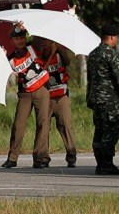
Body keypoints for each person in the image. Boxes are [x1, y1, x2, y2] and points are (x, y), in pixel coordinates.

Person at [1, 25, 52, 169]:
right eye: (16, 39)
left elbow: (38, 34)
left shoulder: (32, 46)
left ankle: (39, 158)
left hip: (41, 88)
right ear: (12, 41)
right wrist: (0, 55)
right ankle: (12, 158)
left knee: (43, 123)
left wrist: (27, 26)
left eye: (22, 37)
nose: (20, 41)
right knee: (18, 125)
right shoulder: (10, 58)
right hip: (25, 92)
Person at [86, 24, 119, 175]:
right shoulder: (111, 54)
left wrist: (89, 98)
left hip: (96, 100)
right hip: (110, 101)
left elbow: (90, 79)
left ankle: (100, 163)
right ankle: (107, 164)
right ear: (113, 37)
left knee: (99, 130)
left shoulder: (93, 54)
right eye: (117, 38)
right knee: (112, 130)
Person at [37, 39, 78, 168]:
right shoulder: (38, 56)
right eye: (42, 41)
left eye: (46, 41)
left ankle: (71, 154)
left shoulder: (59, 53)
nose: (44, 43)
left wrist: (59, 48)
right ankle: (43, 157)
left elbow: (67, 62)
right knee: (43, 126)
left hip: (61, 95)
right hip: (45, 97)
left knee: (65, 124)